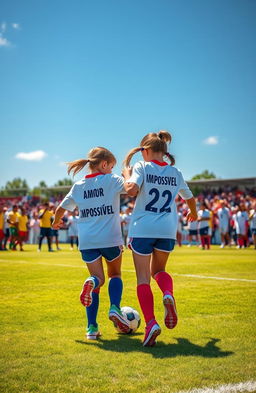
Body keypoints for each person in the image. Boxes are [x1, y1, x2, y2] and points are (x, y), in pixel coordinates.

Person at [122, 130, 197, 347]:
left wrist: (126, 174)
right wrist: (194, 213)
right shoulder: (175, 172)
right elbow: (190, 198)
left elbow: (131, 190)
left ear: (145, 151)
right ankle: (167, 293)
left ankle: (150, 324)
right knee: (159, 272)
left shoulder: (142, 166)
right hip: (166, 229)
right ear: (164, 151)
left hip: (143, 228)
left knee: (143, 278)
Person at [52, 147, 131, 340]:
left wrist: (55, 221)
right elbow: (131, 189)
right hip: (110, 238)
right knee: (115, 274)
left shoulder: (78, 186)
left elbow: (61, 209)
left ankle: (91, 328)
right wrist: (127, 174)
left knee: (97, 281)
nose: (112, 170)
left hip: (87, 241)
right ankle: (114, 307)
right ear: (104, 164)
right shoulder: (112, 180)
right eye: (111, 166)